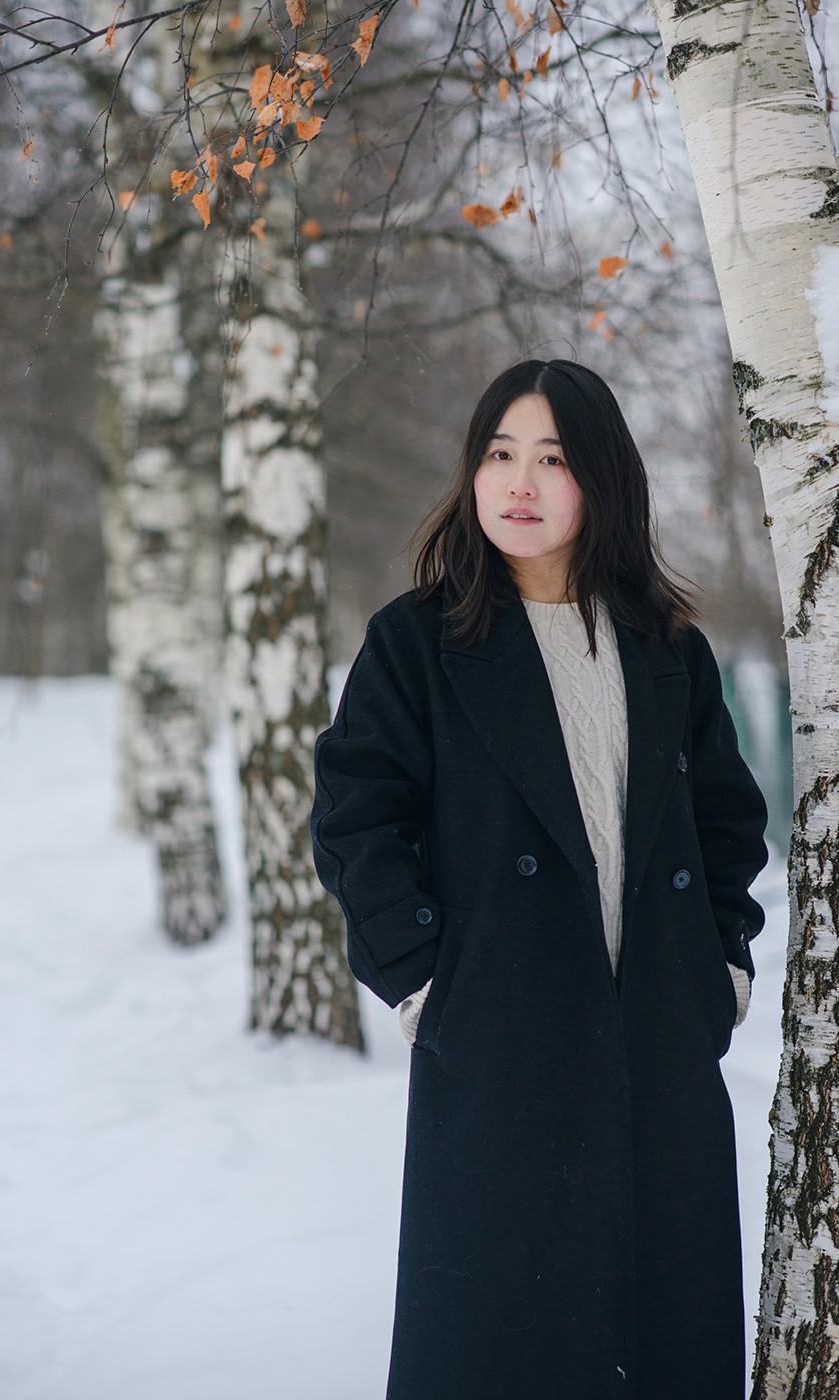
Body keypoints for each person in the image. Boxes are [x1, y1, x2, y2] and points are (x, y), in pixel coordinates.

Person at [310, 358, 768, 1400]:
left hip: (655, 1052)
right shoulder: (416, 645)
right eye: (498, 453)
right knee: (505, 1342)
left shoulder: (666, 651)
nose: (519, 481)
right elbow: (353, 815)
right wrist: (424, 979)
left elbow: (729, 824)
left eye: (552, 458)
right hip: (499, 1059)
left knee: (660, 1340)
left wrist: (723, 969)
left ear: (601, 481)